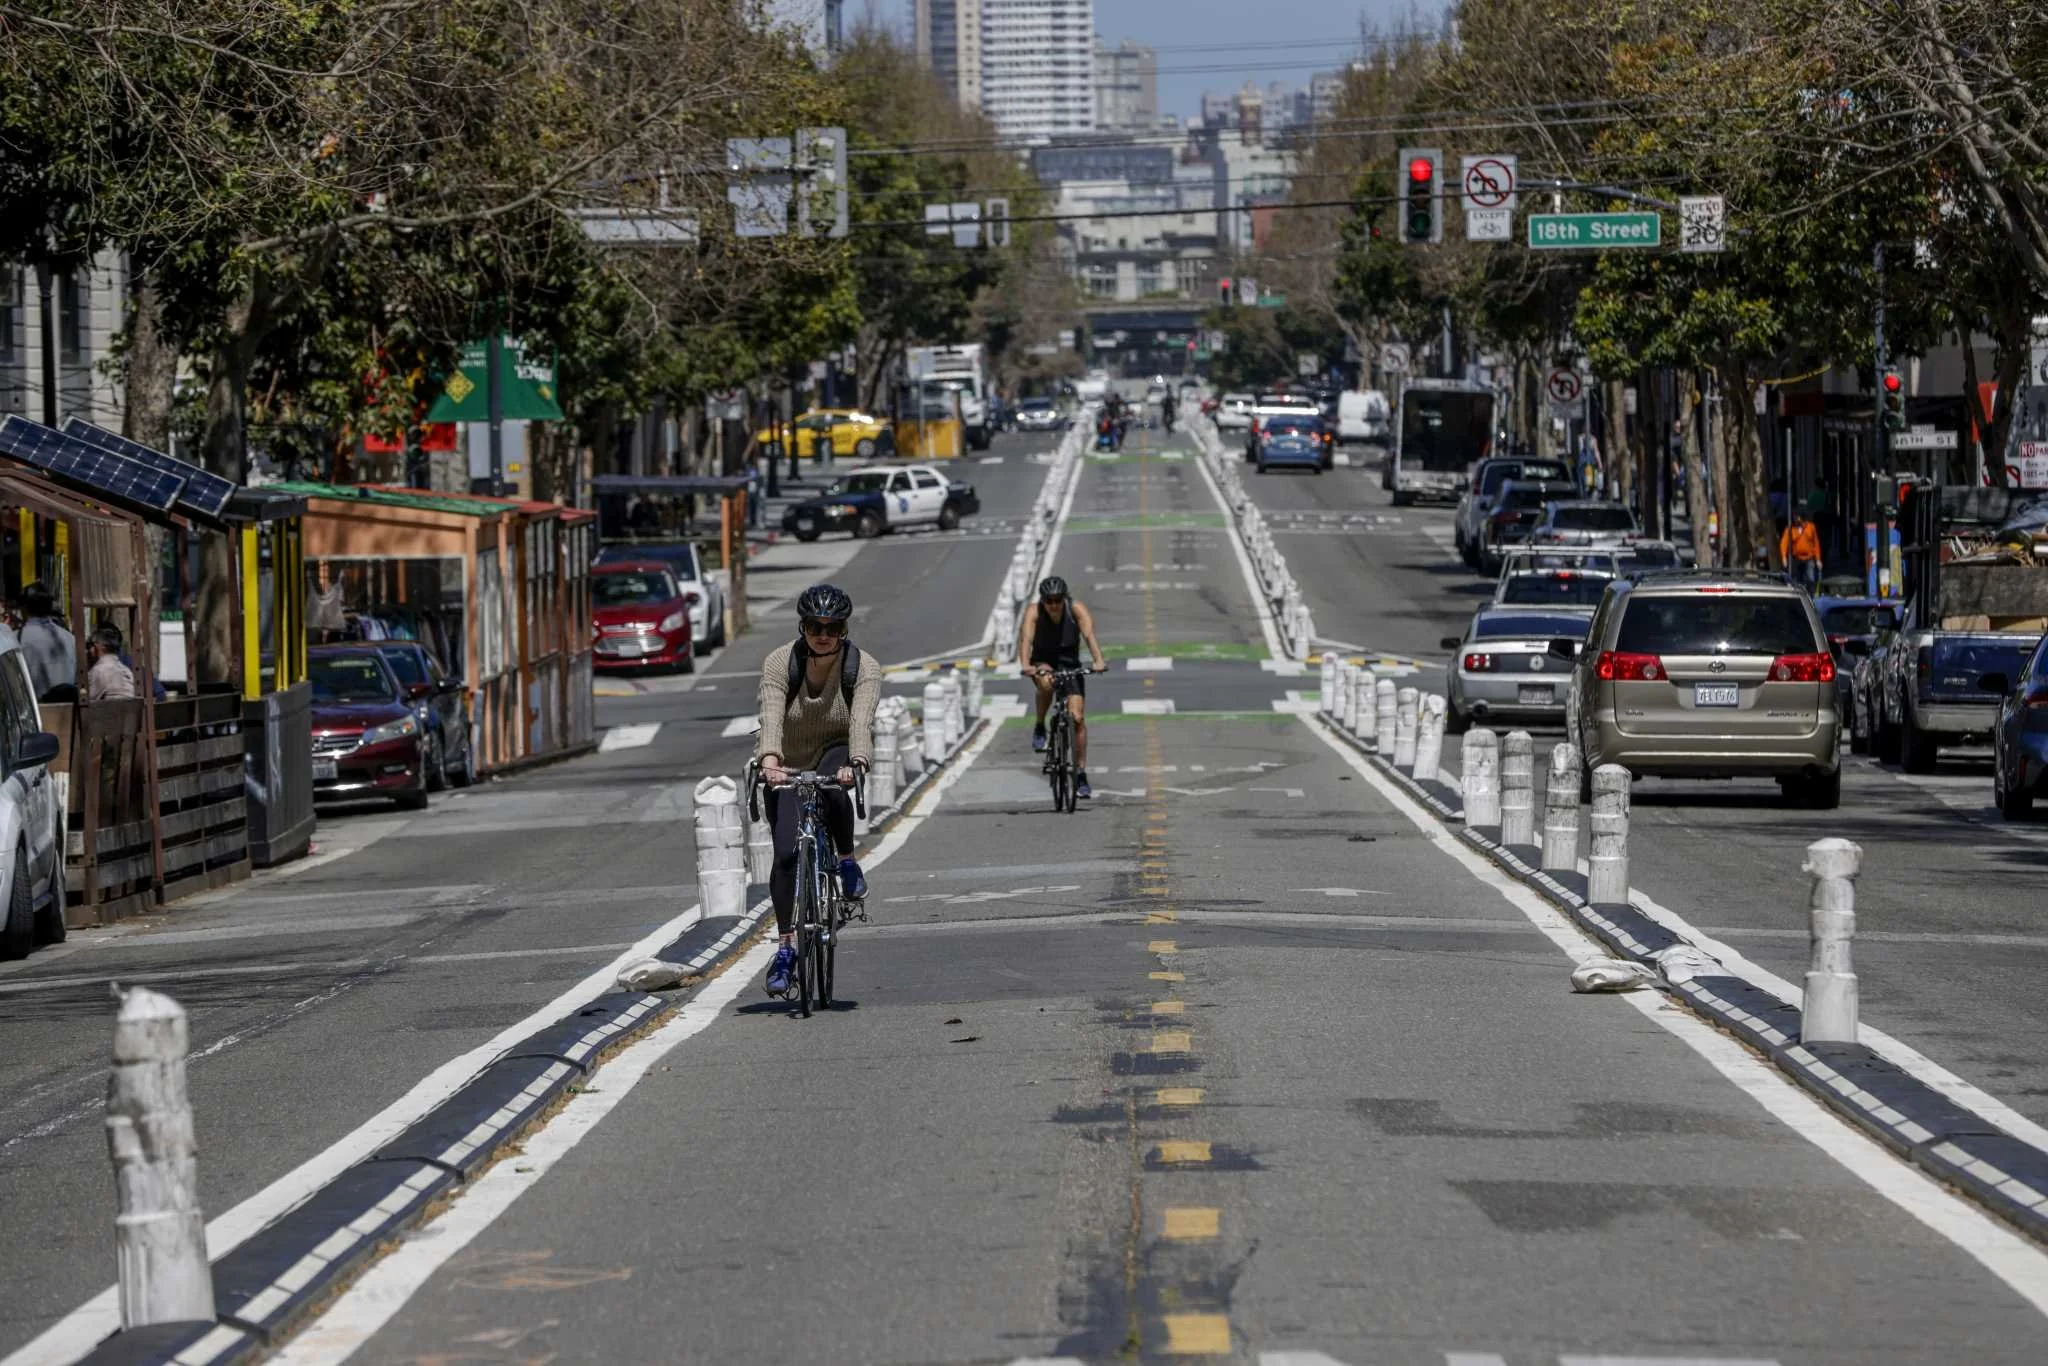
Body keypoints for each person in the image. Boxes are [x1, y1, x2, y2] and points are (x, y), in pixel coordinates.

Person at [755, 583, 880, 997]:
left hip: (836, 747)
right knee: (787, 854)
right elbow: (771, 714)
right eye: (814, 626)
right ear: (802, 627)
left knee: (833, 788)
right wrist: (770, 761)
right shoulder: (780, 662)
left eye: (832, 627)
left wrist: (857, 763)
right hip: (787, 758)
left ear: (844, 629)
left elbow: (860, 721)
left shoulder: (862, 667)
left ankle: (845, 860)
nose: (823, 634)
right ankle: (787, 948)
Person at [1018, 575, 1106, 799]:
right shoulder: (1033, 612)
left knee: (1077, 718)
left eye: (1058, 600)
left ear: (1065, 598)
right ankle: (1040, 725)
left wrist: (1098, 661)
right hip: (1043, 661)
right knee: (1046, 684)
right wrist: (1026, 665)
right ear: (1043, 601)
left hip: (1069, 662)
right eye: (1049, 601)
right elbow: (1026, 639)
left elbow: (1089, 634)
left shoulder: (1076, 609)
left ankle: (1081, 773)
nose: (1054, 605)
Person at [18, 582, 77, 701]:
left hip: (35, 714)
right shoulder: (70, 638)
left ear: (24, 608)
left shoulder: (17, 639)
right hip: (68, 712)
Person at [86, 625, 137, 701]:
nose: (88, 650)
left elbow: (86, 698)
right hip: (130, 711)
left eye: (90, 645)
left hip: (108, 711)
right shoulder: (126, 670)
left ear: (99, 646)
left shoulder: (98, 670)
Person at [1780, 508, 1823, 594]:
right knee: (1796, 579)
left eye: (1797, 517)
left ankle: (1811, 596)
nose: (1795, 519)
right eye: (1794, 517)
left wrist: (1818, 559)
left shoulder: (1811, 527)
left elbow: (1816, 544)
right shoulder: (1790, 528)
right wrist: (1784, 557)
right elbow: (1784, 543)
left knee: (1810, 578)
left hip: (1809, 558)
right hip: (1797, 558)